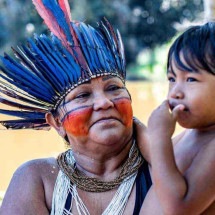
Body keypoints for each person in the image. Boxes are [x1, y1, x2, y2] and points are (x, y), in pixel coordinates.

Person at [0, 0, 152, 214]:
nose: (104, 102)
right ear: (57, 122)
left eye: (113, 88)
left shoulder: (163, 170)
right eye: (82, 95)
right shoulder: (37, 180)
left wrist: (156, 147)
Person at [139, 22, 215, 214]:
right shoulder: (192, 133)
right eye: (172, 79)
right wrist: (135, 128)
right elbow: (159, 158)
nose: (175, 92)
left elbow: (179, 208)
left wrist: (159, 135)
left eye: (190, 79)